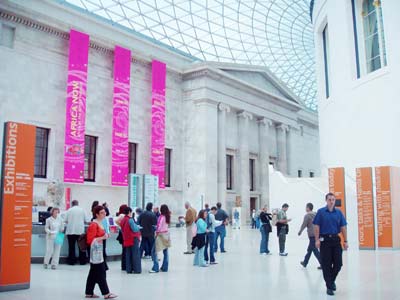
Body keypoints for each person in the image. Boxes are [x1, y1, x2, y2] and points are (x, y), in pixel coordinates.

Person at [314, 193, 348, 296]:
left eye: (333, 199)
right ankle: (329, 287)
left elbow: (343, 227)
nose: (331, 201)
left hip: (335, 240)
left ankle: (331, 281)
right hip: (325, 241)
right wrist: (317, 240)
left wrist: (345, 241)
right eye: (329, 199)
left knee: (338, 264)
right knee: (326, 264)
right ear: (326, 200)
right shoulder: (321, 212)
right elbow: (316, 226)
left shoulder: (338, 212)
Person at [85, 205, 117, 299]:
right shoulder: (93, 225)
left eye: (104, 212)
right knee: (101, 272)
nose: (104, 214)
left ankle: (89, 292)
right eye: (102, 213)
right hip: (95, 251)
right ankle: (106, 293)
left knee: (93, 272)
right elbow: (90, 240)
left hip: (100, 250)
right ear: (97, 214)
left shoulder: (101, 223)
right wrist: (103, 237)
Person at [298, 202, 322, 269]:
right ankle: (305, 262)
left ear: (308, 208)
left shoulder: (307, 215)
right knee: (310, 249)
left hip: (312, 234)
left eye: (306, 207)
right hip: (317, 233)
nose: (305, 209)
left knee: (314, 250)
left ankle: (322, 263)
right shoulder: (316, 214)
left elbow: (304, 224)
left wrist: (300, 231)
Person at [65, 200, 89, 265]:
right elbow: (86, 220)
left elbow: (65, 220)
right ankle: (82, 261)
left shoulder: (69, 210)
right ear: (78, 204)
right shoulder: (82, 210)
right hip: (80, 231)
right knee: (81, 247)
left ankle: (71, 261)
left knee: (71, 247)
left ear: (72, 204)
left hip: (70, 231)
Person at [149, 204, 171, 273]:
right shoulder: (168, 217)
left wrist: (156, 233)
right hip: (166, 235)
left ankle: (155, 268)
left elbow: (159, 227)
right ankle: (165, 267)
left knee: (154, 251)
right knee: (165, 252)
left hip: (160, 235)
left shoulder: (161, 217)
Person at [120, 207, 142, 274]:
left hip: (126, 239)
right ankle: (137, 269)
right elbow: (135, 229)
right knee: (135, 254)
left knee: (128, 254)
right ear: (129, 212)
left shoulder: (123, 219)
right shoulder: (130, 220)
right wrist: (138, 227)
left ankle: (129, 269)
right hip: (133, 239)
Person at [115, 204, 128, 271]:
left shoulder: (122, 215)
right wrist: (122, 226)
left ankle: (124, 266)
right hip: (123, 234)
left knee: (124, 250)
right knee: (125, 250)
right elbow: (116, 221)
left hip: (122, 233)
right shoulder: (122, 215)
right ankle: (124, 266)